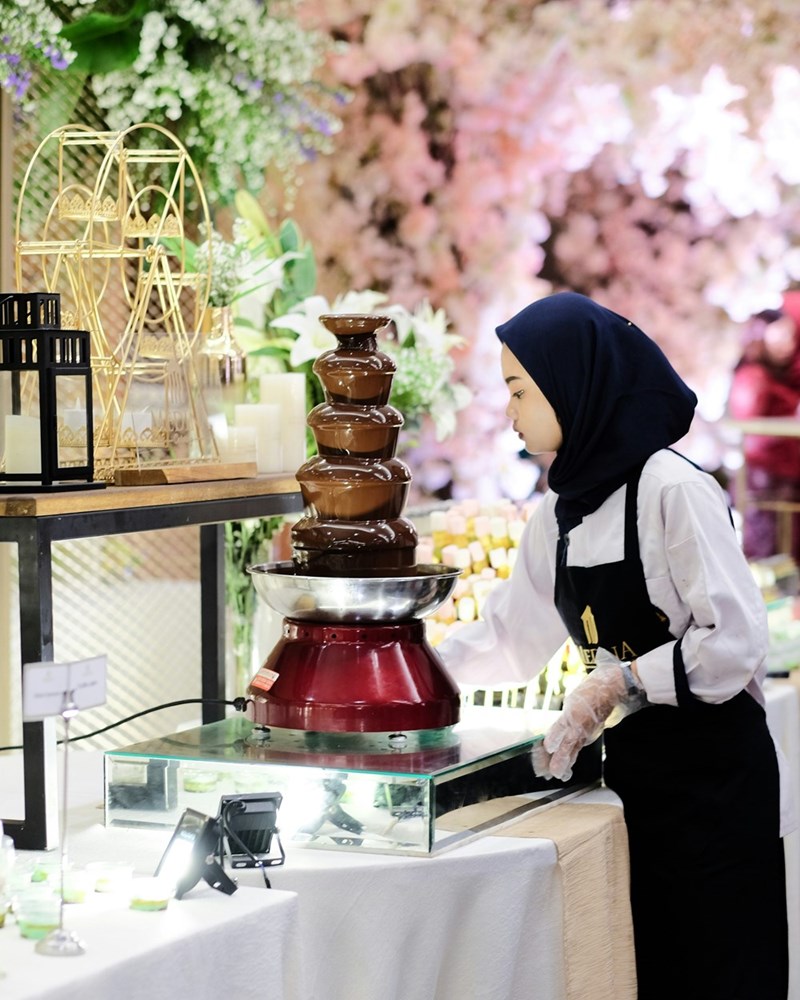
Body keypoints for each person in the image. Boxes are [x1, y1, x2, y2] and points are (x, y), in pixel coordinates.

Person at [437, 292, 793, 1000]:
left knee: (725, 970)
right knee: (655, 968)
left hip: (719, 782)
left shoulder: (672, 489)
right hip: (638, 784)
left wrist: (621, 681)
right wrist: (411, 671)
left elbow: (736, 642)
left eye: (520, 390)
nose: (510, 410)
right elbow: (510, 637)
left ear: (574, 385)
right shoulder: (557, 515)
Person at [728, 292, 800, 562]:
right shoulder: (753, 377)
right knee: (768, 554)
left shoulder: (785, 374)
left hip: (784, 477)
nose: (787, 345)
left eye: (790, 337)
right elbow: (750, 426)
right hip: (764, 480)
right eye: (780, 337)